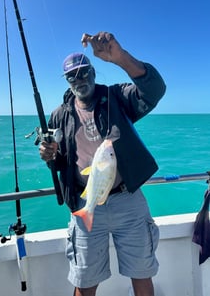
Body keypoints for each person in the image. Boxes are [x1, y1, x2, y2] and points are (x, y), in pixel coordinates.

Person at [39, 31, 166, 296]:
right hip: (86, 203)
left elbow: (154, 90)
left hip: (127, 200)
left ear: (94, 72)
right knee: (84, 281)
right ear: (66, 81)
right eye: (72, 76)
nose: (79, 79)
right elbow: (60, 159)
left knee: (142, 273)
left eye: (84, 72)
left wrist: (119, 58)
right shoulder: (59, 115)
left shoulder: (117, 97)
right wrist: (49, 154)